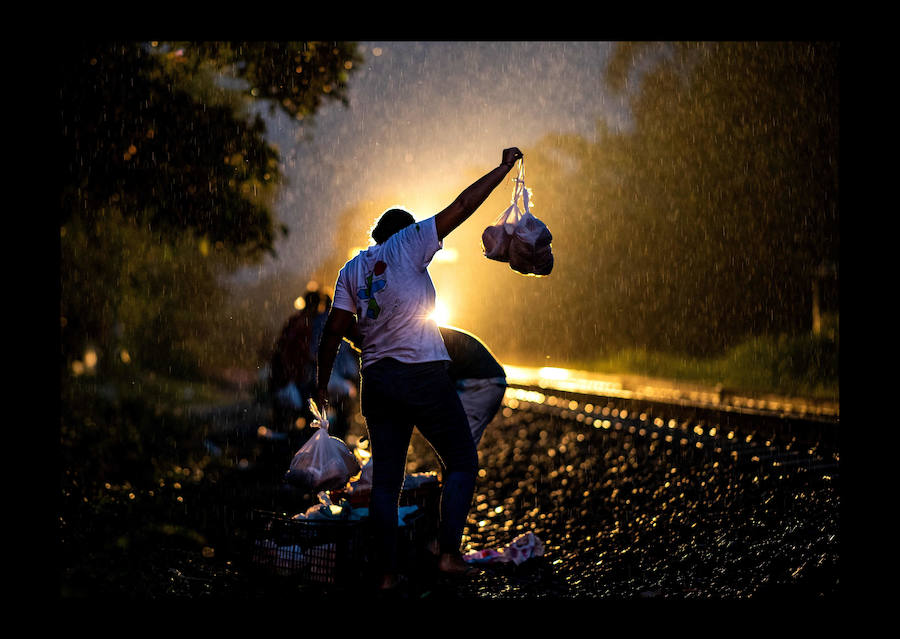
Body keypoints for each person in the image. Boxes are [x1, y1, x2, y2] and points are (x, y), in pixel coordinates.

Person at [315, 147, 524, 591]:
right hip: (422, 374)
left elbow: (334, 331)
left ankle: (387, 574)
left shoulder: (352, 270)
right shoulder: (409, 242)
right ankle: (449, 554)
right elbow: (463, 206)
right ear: (405, 232)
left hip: (379, 382)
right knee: (462, 458)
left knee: (386, 484)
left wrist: (320, 386)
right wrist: (502, 169)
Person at [439, 326, 507, 449]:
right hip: (485, 381)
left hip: (481, 384)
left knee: (459, 443)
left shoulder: (426, 338)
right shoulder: (430, 334)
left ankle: (460, 467)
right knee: (454, 442)